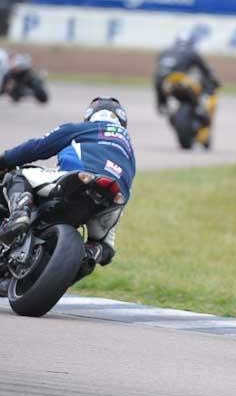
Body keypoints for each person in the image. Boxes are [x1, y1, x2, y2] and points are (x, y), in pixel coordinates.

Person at [0, 97, 136, 293]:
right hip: (112, 200)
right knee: (103, 248)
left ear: (90, 116)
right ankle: (91, 252)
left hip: (77, 179)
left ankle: (19, 213)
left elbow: (37, 147)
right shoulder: (129, 153)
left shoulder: (83, 129)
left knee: (17, 175)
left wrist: (5, 160)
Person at [154, 32, 221, 148]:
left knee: (161, 95)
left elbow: (159, 67)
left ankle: (162, 105)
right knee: (203, 88)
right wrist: (213, 81)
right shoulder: (192, 52)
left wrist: (161, 102)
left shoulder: (165, 51)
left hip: (162, 81)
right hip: (181, 80)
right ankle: (201, 110)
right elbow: (205, 70)